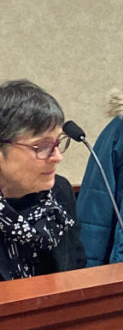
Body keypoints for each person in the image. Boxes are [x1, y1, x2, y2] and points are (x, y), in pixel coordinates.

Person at [0, 80, 85, 280]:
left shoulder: (59, 192)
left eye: (58, 143)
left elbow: (77, 270)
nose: (58, 157)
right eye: (43, 146)